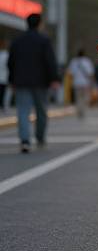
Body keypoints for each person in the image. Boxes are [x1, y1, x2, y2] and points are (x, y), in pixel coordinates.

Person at [7, 13, 59, 153]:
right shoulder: (44, 40)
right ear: (40, 24)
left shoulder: (17, 41)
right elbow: (50, 61)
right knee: (41, 111)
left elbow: (11, 63)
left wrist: (12, 80)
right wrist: (54, 78)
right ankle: (40, 137)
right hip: (40, 82)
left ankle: (25, 141)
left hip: (21, 81)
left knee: (23, 111)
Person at [67, 48, 94, 118]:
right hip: (85, 83)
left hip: (76, 83)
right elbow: (90, 73)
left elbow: (70, 73)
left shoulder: (73, 62)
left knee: (78, 98)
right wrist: (91, 82)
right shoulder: (87, 61)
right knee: (85, 98)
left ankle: (79, 111)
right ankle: (82, 110)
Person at [0, 37, 8, 113]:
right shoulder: (6, 55)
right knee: (3, 93)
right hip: (4, 77)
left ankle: (2, 106)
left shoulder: (5, 54)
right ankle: (3, 106)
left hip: (3, 77)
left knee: (2, 92)